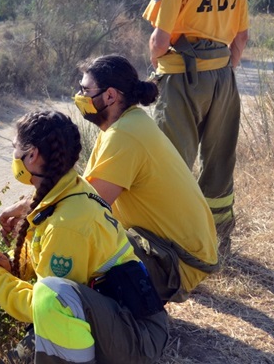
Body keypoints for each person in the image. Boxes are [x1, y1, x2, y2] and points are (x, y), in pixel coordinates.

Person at [0, 110, 167, 364]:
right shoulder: (68, 189)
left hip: (138, 341)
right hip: (125, 322)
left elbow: (46, 303)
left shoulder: (68, 223)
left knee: (51, 301)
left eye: (14, 148)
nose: (13, 155)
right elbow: (51, 264)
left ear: (31, 156)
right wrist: (10, 265)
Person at [143, 0, 249, 253]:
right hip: (222, 76)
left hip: (181, 78)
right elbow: (242, 36)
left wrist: (155, 66)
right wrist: (224, 70)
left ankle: (172, 247)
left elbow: (160, 39)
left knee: (172, 163)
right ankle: (218, 242)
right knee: (220, 162)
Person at [76, 54, 220, 303]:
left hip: (178, 262)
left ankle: (133, 324)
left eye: (85, 90)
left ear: (110, 96)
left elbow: (86, 208)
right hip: (179, 252)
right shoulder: (126, 123)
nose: (79, 96)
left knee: (77, 248)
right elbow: (82, 188)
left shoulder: (124, 135)